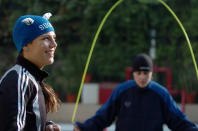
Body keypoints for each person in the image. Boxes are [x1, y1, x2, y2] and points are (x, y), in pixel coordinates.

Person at [74, 53, 198, 131]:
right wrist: (83, 127)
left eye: (146, 73)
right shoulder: (121, 91)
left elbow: (177, 120)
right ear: (133, 74)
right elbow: (103, 117)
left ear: (151, 74)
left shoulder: (161, 93)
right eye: (138, 73)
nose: (142, 77)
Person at [0, 13, 61, 131]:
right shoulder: (18, 80)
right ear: (26, 45)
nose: (54, 44)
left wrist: (45, 127)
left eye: (54, 38)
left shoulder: (30, 79)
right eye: (46, 38)